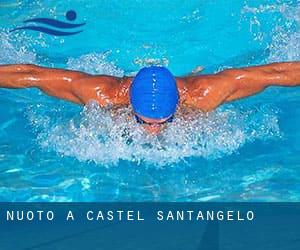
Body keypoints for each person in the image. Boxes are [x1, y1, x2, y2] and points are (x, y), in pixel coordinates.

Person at [0, 62, 299, 134]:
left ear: (176, 108)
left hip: (191, 84)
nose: (153, 131)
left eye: (163, 122)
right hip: (117, 85)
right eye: (143, 121)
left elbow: (273, 74)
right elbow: (31, 75)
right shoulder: (101, 93)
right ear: (130, 105)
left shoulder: (204, 94)